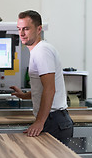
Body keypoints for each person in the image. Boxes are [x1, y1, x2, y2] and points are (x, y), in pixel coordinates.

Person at [10, 10, 73, 144]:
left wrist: (39, 122)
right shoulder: (38, 51)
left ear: (39, 29)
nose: (21, 34)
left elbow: (50, 89)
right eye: (19, 29)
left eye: (26, 29)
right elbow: (43, 88)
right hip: (52, 120)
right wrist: (25, 95)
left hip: (54, 121)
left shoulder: (42, 51)